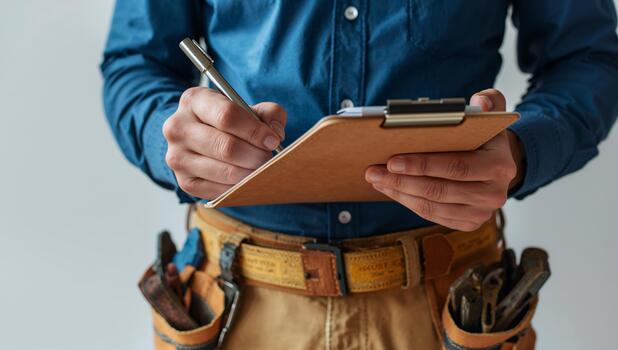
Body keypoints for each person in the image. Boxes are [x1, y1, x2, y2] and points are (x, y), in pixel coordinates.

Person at [101, 1, 618, 349]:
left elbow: (589, 59)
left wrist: (520, 150)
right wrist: (171, 136)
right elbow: (135, 63)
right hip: (237, 303)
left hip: (449, 303)